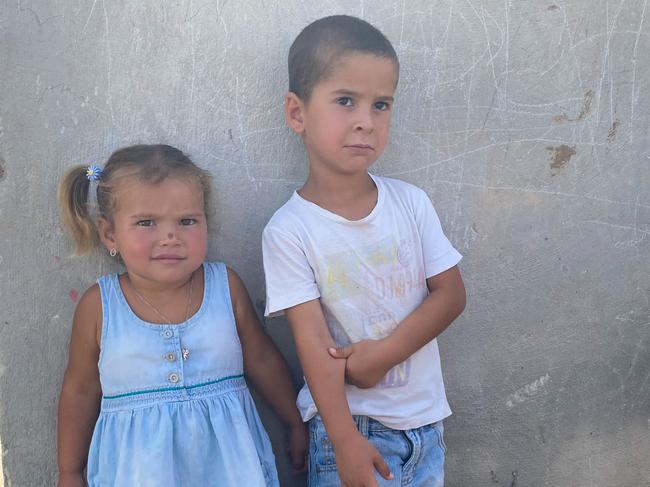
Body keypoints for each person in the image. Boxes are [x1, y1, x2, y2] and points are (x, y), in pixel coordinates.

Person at [262, 15, 466, 487]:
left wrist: (384, 355)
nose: (365, 121)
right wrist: (343, 441)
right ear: (297, 113)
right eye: (345, 101)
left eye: (381, 105)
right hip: (350, 431)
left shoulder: (409, 203)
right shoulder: (290, 231)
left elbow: (451, 295)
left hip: (426, 426)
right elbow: (312, 342)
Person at [56, 144, 307, 487]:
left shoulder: (225, 287)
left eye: (187, 221)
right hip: (138, 474)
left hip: (230, 470)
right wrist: (70, 472)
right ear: (109, 233)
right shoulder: (100, 306)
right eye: (146, 223)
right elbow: (81, 389)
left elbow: (261, 359)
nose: (170, 237)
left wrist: (295, 421)